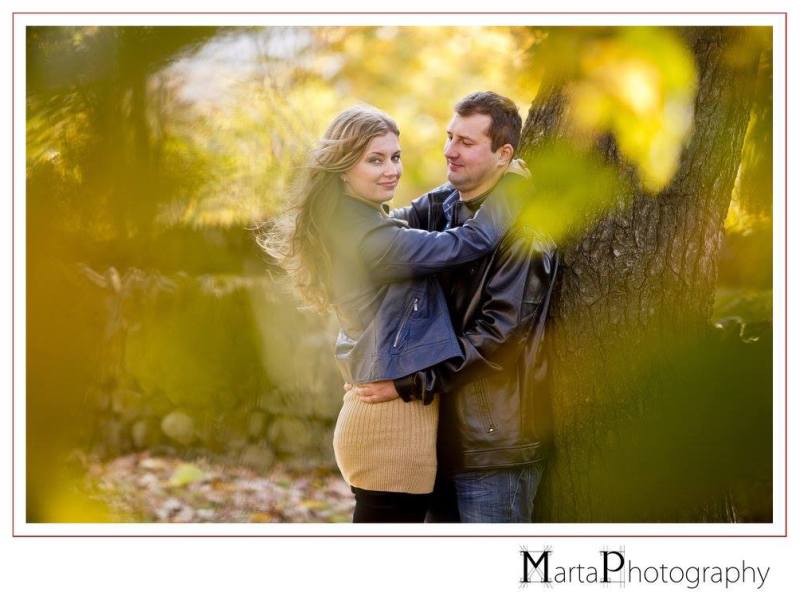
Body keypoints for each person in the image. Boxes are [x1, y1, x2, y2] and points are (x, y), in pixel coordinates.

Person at [260, 105, 527, 523]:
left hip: (392, 425)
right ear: (343, 168)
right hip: (388, 429)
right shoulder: (369, 239)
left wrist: (472, 178)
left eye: (395, 157)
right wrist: (510, 191)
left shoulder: (360, 219)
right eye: (375, 159)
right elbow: (467, 243)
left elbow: (419, 214)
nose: (392, 170)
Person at [352, 92, 559, 523]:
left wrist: (409, 383)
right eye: (450, 137)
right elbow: (375, 237)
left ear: (503, 154)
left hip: (492, 445)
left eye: (466, 142)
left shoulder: (526, 229)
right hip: (435, 436)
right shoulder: (440, 207)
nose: (449, 150)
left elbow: (499, 337)